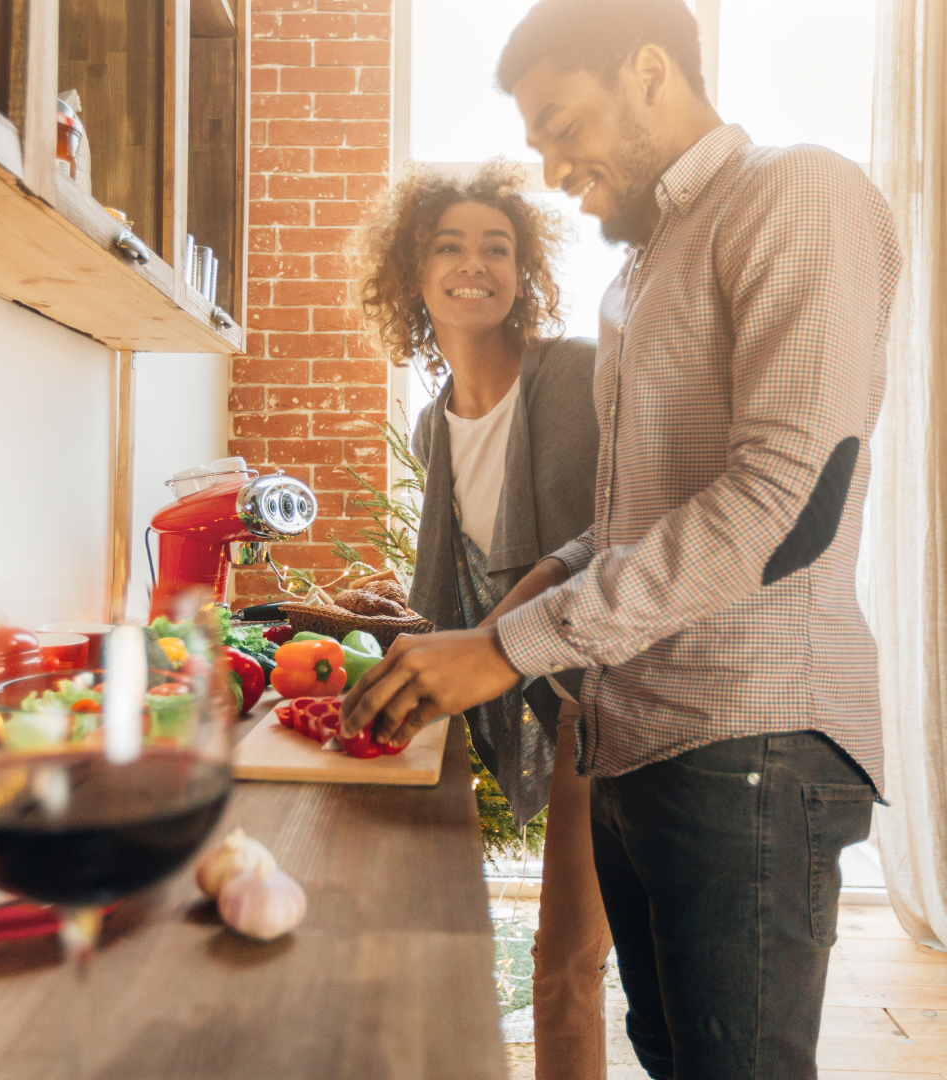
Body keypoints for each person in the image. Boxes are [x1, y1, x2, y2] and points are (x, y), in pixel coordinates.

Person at [341, 1, 902, 1078]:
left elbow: (786, 502)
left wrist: (504, 648)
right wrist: (524, 602)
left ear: (649, 69)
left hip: (750, 738)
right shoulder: (644, 269)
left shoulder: (796, 191)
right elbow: (632, 525)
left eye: (561, 123)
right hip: (640, 737)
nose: (551, 168)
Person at [356, 162, 612, 1079]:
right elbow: (460, 577)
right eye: (450, 247)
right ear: (413, 273)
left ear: (524, 270)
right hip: (550, 692)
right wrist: (389, 615)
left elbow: (613, 535)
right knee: (562, 966)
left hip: (613, 700)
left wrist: (489, 634)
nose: (476, 265)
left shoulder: (576, 373)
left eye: (497, 248)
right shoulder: (435, 424)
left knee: (565, 968)